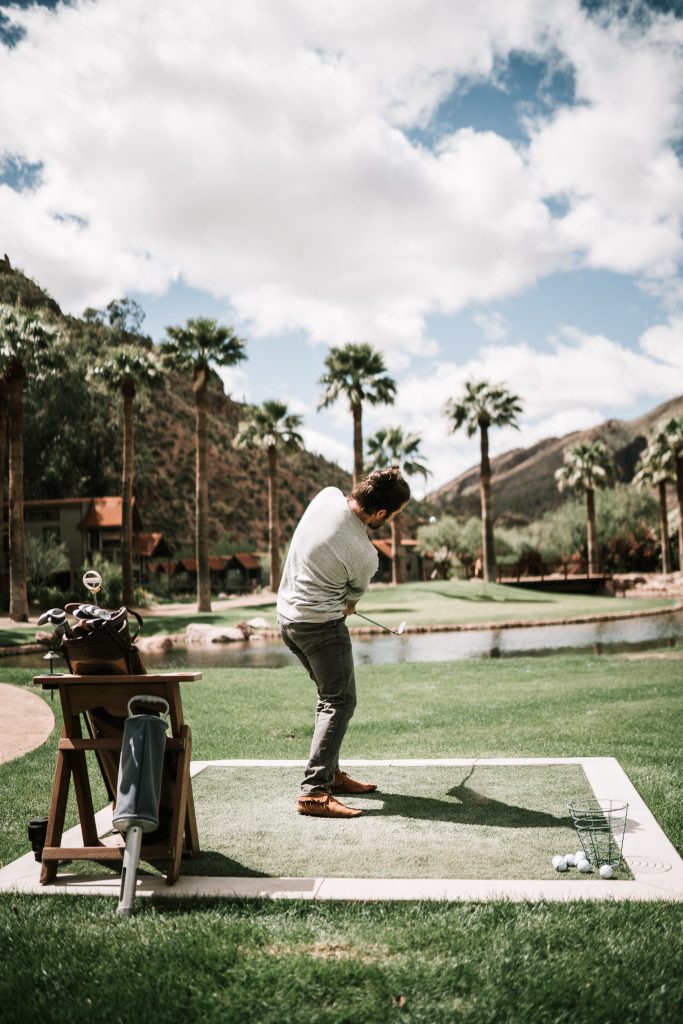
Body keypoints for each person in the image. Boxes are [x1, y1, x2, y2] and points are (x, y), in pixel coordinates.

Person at [277, 467, 411, 818]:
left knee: (329, 696)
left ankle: (331, 775)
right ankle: (313, 791)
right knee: (340, 700)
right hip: (319, 627)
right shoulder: (366, 556)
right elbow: (351, 603)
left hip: (287, 621)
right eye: (394, 514)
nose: (393, 519)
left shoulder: (327, 495)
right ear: (381, 513)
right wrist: (345, 602)